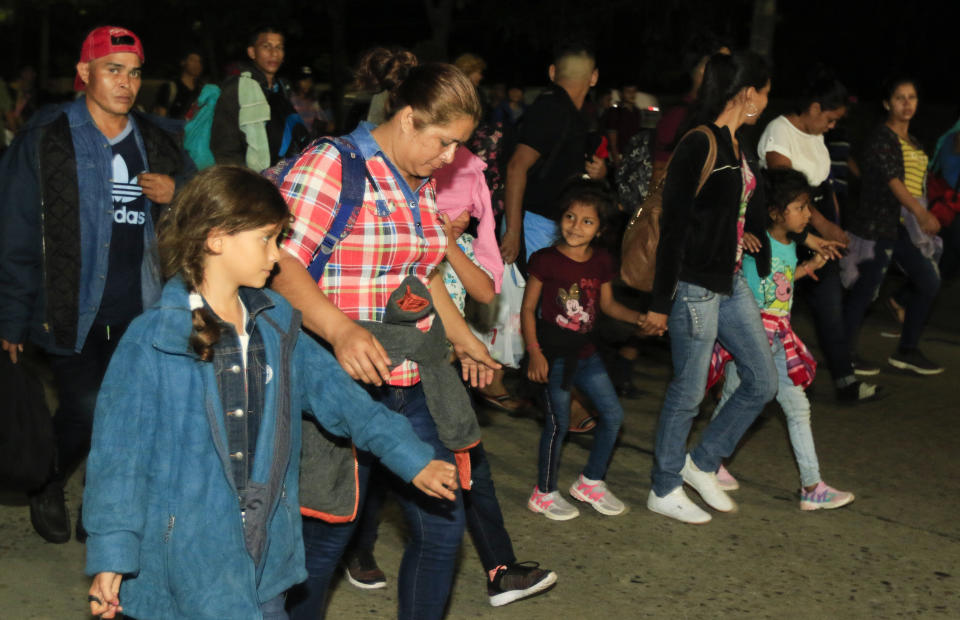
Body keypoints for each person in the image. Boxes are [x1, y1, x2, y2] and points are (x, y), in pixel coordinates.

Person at [83, 166, 458, 620]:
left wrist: (411, 456)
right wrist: (112, 554)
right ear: (216, 239)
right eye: (267, 239)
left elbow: (343, 399)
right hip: (189, 560)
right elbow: (119, 456)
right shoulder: (155, 339)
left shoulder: (277, 324)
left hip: (266, 551)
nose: (277, 256)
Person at [270, 48, 501, 619]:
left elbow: (418, 273)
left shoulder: (418, 177)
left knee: (442, 524)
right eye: (443, 141)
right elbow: (279, 261)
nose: (450, 159)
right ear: (406, 119)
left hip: (410, 375)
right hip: (338, 378)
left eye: (457, 147)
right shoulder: (333, 164)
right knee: (326, 537)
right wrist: (341, 330)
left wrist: (463, 337)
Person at [0, 25, 193, 544]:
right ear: (84, 74)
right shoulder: (46, 137)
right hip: (70, 306)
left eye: (133, 74)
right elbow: (15, 228)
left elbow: (204, 206)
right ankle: (49, 479)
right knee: (86, 408)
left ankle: (102, 507)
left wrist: (178, 193)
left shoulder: (158, 141)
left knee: (130, 416)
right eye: (113, 71)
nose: (126, 84)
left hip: (142, 308)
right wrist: (11, 315)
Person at [342, 147, 558, 607]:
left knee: (470, 467)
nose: (457, 219)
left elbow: (482, 289)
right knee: (375, 476)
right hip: (387, 373)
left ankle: (500, 568)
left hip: (439, 378)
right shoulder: (399, 237)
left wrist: (445, 245)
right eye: (449, 211)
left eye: (466, 213)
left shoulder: (443, 247)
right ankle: (356, 550)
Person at [640, 51, 781, 525]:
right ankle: (663, 486)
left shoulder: (736, 143)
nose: (766, 101)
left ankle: (701, 463)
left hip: (731, 279)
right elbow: (675, 229)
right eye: (764, 91)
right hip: (693, 286)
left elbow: (729, 216)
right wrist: (661, 303)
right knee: (689, 390)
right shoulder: (698, 144)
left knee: (762, 381)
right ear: (747, 93)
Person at [707, 168, 856, 510]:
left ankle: (810, 485)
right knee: (741, 399)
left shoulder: (790, 247)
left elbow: (780, 285)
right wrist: (738, 237)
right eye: (800, 207)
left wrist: (808, 266)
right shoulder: (755, 243)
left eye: (808, 207)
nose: (807, 215)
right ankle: (708, 462)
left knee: (784, 404)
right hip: (749, 335)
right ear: (775, 212)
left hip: (778, 336)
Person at [758, 68, 883, 403]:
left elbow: (824, 187)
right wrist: (825, 225)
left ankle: (845, 380)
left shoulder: (816, 137)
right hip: (787, 231)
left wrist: (836, 223)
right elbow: (786, 195)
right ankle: (758, 378)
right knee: (772, 304)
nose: (832, 127)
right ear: (814, 108)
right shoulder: (779, 133)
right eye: (830, 119)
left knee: (829, 305)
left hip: (814, 226)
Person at [522, 180, 643, 520]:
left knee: (614, 415)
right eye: (570, 217)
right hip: (552, 354)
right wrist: (534, 352)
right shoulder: (545, 259)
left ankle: (590, 481)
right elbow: (528, 308)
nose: (576, 227)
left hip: (587, 353)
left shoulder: (602, 261)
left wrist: (641, 318)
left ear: (600, 229)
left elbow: (609, 306)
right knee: (558, 422)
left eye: (586, 221)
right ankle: (543, 492)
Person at [842, 78, 943, 376]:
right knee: (865, 289)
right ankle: (843, 355)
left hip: (906, 228)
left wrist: (924, 213)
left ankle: (907, 351)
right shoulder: (882, 138)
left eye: (912, 97)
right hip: (880, 223)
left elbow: (918, 184)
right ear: (887, 103)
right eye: (900, 98)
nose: (907, 103)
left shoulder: (915, 142)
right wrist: (920, 214)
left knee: (929, 281)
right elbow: (893, 181)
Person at [500, 36, 606, 265]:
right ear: (594, 77)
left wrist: (598, 173)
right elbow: (516, 166)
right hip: (532, 224)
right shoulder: (550, 110)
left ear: (552, 72)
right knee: (530, 299)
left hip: (553, 224)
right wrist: (513, 233)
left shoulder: (573, 116)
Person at [210, 24, 307, 170]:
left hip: (281, 177)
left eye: (279, 47)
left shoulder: (281, 89)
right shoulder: (236, 88)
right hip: (250, 182)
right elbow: (225, 148)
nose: (274, 53)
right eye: (266, 46)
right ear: (252, 52)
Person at [153, 49, 204, 119]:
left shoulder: (202, 90)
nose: (197, 64)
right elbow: (160, 118)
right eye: (193, 60)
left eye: (199, 61)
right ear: (183, 62)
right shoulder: (170, 87)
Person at [605, 82, 643, 167]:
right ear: (621, 94)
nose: (632, 94)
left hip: (634, 156)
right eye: (628, 92)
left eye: (634, 91)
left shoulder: (636, 112)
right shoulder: (615, 112)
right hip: (620, 156)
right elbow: (612, 139)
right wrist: (616, 159)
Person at [290, 65, 332, 138]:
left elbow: (325, 123)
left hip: (309, 140)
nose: (307, 83)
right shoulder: (291, 99)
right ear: (297, 82)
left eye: (310, 81)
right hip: (294, 141)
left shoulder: (313, 102)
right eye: (304, 80)